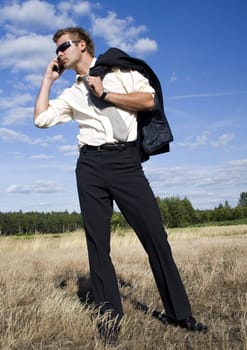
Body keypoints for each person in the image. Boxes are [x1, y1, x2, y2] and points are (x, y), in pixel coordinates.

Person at [34, 27, 207, 344]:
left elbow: (148, 100)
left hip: (125, 163)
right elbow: (41, 119)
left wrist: (105, 94)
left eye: (63, 46)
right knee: (98, 246)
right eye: (56, 49)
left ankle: (180, 314)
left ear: (82, 45)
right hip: (88, 166)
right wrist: (48, 80)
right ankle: (109, 321)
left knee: (155, 236)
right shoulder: (71, 92)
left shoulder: (119, 69)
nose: (58, 53)